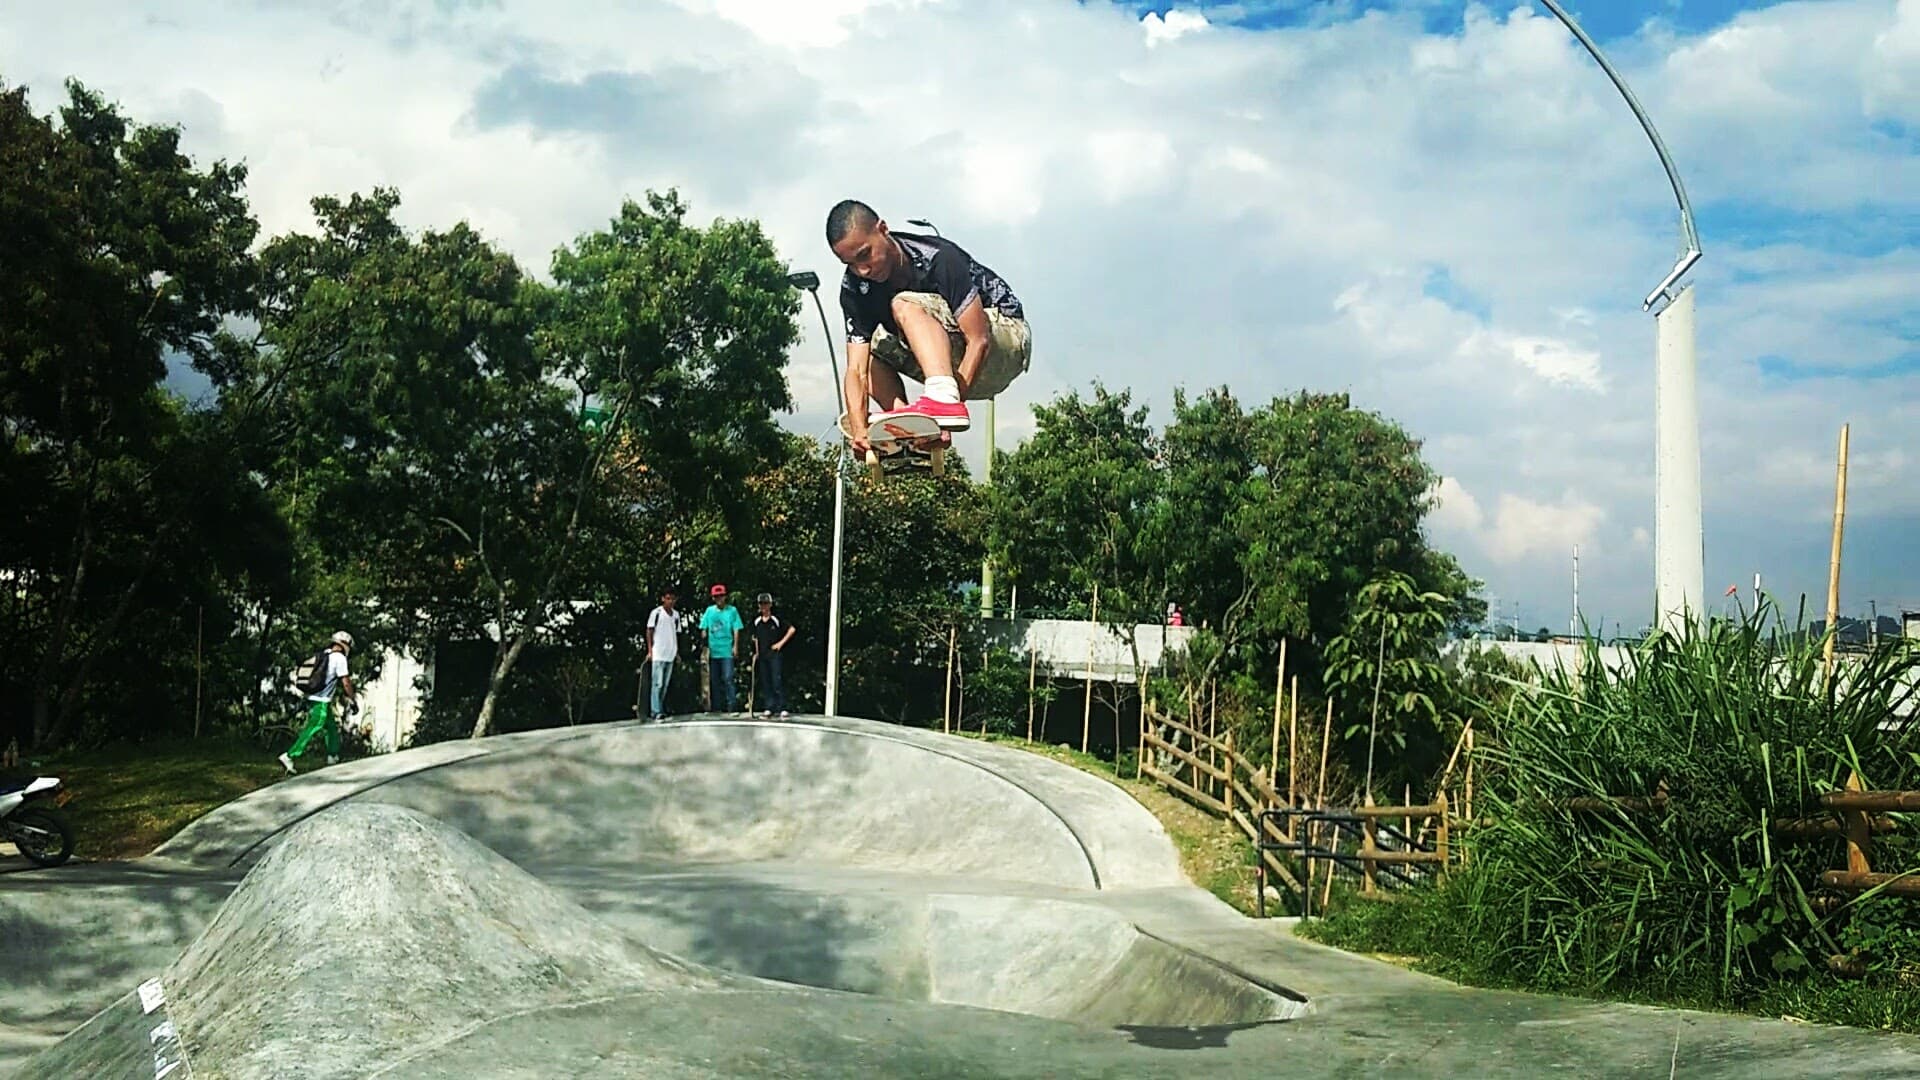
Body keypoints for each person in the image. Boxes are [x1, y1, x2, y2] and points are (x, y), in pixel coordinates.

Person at [826, 199, 1032, 455]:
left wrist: (947, 411)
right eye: (851, 264)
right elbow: (856, 371)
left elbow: (979, 340)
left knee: (903, 304)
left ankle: (942, 400)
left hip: (1006, 340)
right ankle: (902, 421)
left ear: (883, 229)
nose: (863, 270)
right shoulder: (855, 289)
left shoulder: (937, 257)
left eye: (865, 255)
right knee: (869, 353)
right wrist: (859, 431)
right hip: (957, 364)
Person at [279, 631, 354, 774]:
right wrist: (352, 699)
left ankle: (333, 756)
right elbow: (346, 682)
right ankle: (290, 755)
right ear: (345, 645)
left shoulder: (325, 654)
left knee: (331, 727)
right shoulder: (340, 658)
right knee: (314, 727)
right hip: (321, 701)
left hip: (313, 697)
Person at [698, 584, 745, 713]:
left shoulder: (732, 611)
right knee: (714, 681)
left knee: (728, 678)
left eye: (721, 596)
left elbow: (736, 629)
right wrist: (704, 638)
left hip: (726, 651)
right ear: (713, 598)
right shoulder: (709, 611)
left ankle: (732, 706)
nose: (719, 599)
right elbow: (703, 627)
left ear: (725, 597)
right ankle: (717, 707)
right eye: (716, 596)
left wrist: (735, 646)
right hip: (713, 651)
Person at [750, 593, 796, 719]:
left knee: (777, 680)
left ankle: (782, 707)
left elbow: (791, 629)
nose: (763, 606)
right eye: (761, 604)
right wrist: (756, 652)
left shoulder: (776, 619)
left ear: (770, 604)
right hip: (763, 655)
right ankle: (769, 707)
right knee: (766, 681)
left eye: (765, 603)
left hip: (774, 654)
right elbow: (755, 638)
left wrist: (780, 643)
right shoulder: (757, 620)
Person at [644, 588, 681, 720]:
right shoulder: (657, 613)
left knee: (664, 684)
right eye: (668, 598)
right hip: (659, 653)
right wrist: (650, 650)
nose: (670, 601)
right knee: (657, 683)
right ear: (663, 599)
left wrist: (677, 652)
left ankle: (660, 707)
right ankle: (655, 710)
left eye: (673, 599)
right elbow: (649, 631)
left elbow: (676, 634)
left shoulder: (676, 615)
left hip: (670, 653)